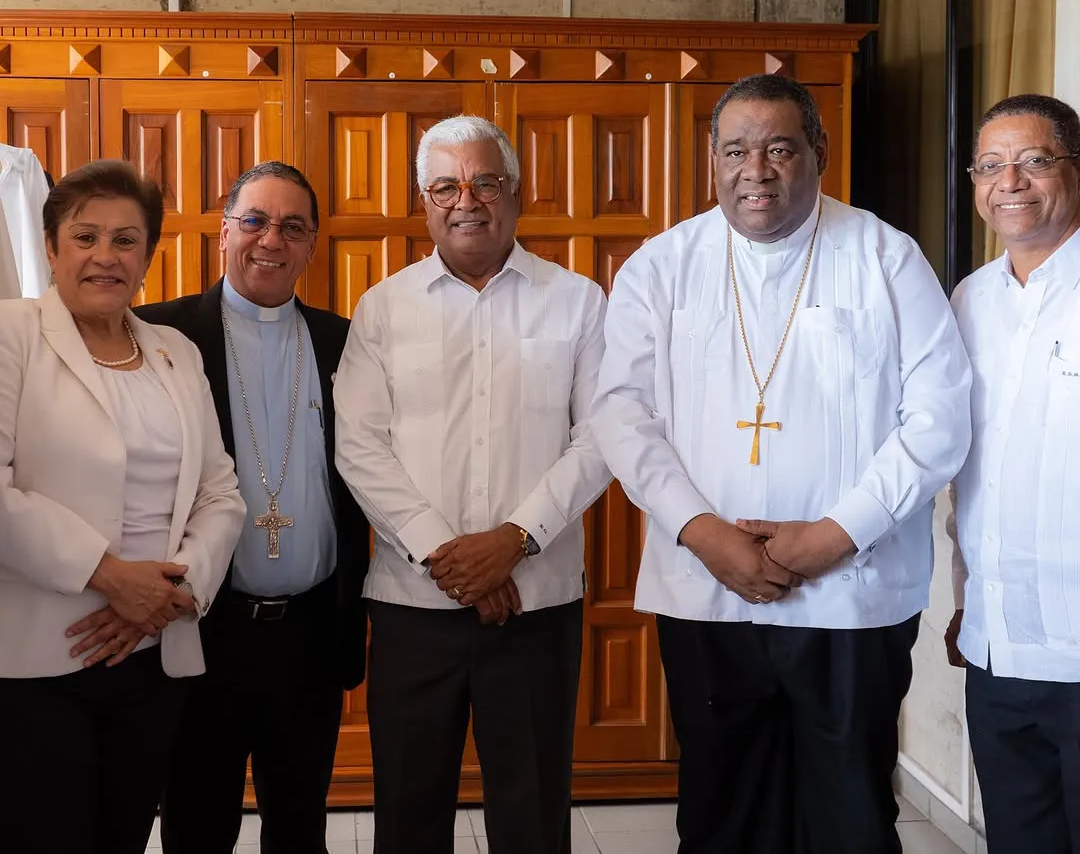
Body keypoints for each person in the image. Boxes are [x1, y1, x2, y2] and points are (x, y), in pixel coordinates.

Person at [593, 73, 972, 854]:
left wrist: (836, 534)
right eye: (735, 150)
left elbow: (938, 418)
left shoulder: (883, 255)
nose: (754, 170)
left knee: (849, 812)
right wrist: (702, 531)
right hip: (706, 586)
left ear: (818, 153)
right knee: (720, 809)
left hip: (850, 593)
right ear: (712, 160)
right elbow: (621, 414)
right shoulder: (662, 267)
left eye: (778, 149)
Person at [334, 115, 611, 854]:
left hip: (537, 604)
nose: (468, 199)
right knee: (409, 807)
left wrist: (513, 541)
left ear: (515, 193)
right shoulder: (382, 309)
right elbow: (359, 446)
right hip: (412, 607)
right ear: (423, 201)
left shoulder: (578, 301)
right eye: (446, 185)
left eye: (486, 181)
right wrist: (448, 555)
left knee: (532, 811)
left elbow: (604, 436)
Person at [0, 160, 246, 854]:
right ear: (51, 248)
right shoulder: (10, 334)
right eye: (85, 236)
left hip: (152, 652)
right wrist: (111, 576)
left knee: (123, 837)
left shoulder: (176, 352)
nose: (105, 255)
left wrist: (172, 592)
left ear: (147, 257)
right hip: (36, 664)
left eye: (126, 240)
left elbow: (221, 492)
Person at [138, 161, 369, 854]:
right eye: (255, 221)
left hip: (311, 631)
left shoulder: (346, 341)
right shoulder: (159, 337)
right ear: (223, 232)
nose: (272, 239)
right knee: (196, 824)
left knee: (299, 827)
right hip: (202, 628)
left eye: (292, 227)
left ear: (311, 245)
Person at [946, 93, 1080, 854]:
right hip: (996, 648)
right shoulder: (970, 301)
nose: (1012, 182)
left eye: (1035, 160)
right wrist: (968, 600)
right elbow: (975, 469)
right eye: (991, 166)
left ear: (1073, 167)